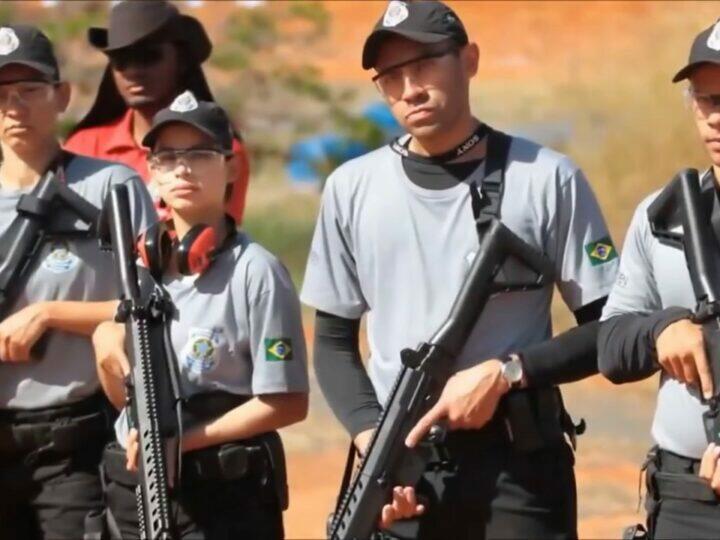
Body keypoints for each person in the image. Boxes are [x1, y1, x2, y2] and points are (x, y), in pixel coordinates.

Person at [301, 1, 619, 538]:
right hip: (401, 472)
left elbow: (613, 330)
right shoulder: (351, 188)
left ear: (469, 59)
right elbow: (333, 343)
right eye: (391, 78)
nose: (410, 89)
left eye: (424, 65)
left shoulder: (548, 179)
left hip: (519, 472)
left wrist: (507, 373)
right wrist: (372, 439)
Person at [92, 91, 309, 540]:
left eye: (200, 154)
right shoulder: (140, 269)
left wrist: (182, 442)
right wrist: (105, 348)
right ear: (152, 170)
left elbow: (287, 401)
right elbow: (126, 400)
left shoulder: (257, 272)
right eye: (168, 157)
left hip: (223, 503)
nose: (183, 169)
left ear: (231, 167)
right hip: (136, 496)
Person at [0, 24, 156, 539]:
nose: (14, 107)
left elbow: (157, 304)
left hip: (74, 444)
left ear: (62, 96)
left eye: (30, 91)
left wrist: (49, 314)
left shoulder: (112, 186)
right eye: (1, 95)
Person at [598, 19, 720, 539]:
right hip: (683, 501)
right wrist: (661, 329)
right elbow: (610, 345)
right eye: (707, 99)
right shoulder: (664, 215)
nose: (717, 118)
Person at [64, 0, 249, 224]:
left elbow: (208, 244)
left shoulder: (219, 153)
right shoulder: (82, 148)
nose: (133, 71)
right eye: (121, 61)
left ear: (180, 62)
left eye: (148, 56)